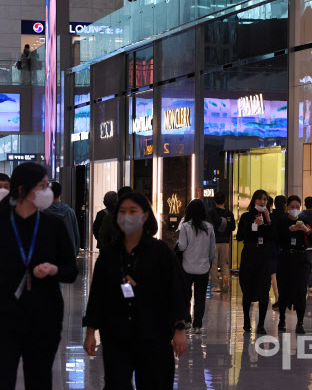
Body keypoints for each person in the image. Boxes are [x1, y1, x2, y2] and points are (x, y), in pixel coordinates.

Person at [83, 192, 188, 389]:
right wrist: (90, 331)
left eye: (133, 211)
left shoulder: (161, 252)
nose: (126, 216)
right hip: (116, 335)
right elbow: (97, 294)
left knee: (154, 382)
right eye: (122, 211)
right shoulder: (109, 255)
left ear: (145, 215)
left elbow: (175, 290)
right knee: (116, 384)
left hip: (154, 333)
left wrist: (179, 329)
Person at [0, 162, 78, 389]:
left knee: (40, 378)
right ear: (23, 189)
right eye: (42, 186)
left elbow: (70, 270)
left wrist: (54, 270)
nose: (47, 192)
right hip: (5, 317)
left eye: (48, 186)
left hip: (44, 316)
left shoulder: (53, 225)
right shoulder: (3, 224)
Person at [276, 195, 312, 334]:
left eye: (297, 207)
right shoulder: (282, 221)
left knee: (300, 291)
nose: (295, 210)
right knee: (284, 290)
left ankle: (300, 322)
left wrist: (306, 230)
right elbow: (278, 239)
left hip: (300, 259)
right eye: (292, 207)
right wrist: (289, 231)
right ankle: (282, 318)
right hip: (285, 259)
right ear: (287, 208)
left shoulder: (304, 221)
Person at [236, 189, 275, 334]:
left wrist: (268, 220)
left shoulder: (268, 217)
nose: (262, 202)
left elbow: (273, 237)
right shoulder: (246, 217)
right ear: (254, 201)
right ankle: (247, 322)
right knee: (247, 290)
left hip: (263, 257)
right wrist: (254, 226)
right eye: (259, 199)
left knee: (264, 291)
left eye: (265, 199)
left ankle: (261, 325)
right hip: (249, 256)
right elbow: (240, 236)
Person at [178, 199, 216, 334]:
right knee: (200, 297)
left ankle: (187, 320)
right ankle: (198, 325)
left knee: (186, 295)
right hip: (203, 267)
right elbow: (212, 251)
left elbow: (182, 246)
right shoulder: (209, 227)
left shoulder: (185, 226)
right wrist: (209, 262)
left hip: (187, 266)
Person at [206, 191, 235, 293]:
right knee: (224, 263)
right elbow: (233, 227)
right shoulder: (229, 213)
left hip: (213, 242)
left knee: (213, 265)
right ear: (225, 201)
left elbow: (208, 227)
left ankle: (216, 286)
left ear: (214, 201)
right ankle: (225, 280)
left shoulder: (211, 213)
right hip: (225, 242)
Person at [44, 181, 81, 257]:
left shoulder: (41, 213)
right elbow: (76, 237)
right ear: (60, 193)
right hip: (66, 256)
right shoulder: (70, 212)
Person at [270, 195, 287, 309]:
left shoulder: (271, 216)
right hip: (285, 248)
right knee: (285, 274)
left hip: (273, 247)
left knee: (274, 274)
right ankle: (284, 298)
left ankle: (277, 298)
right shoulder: (287, 216)